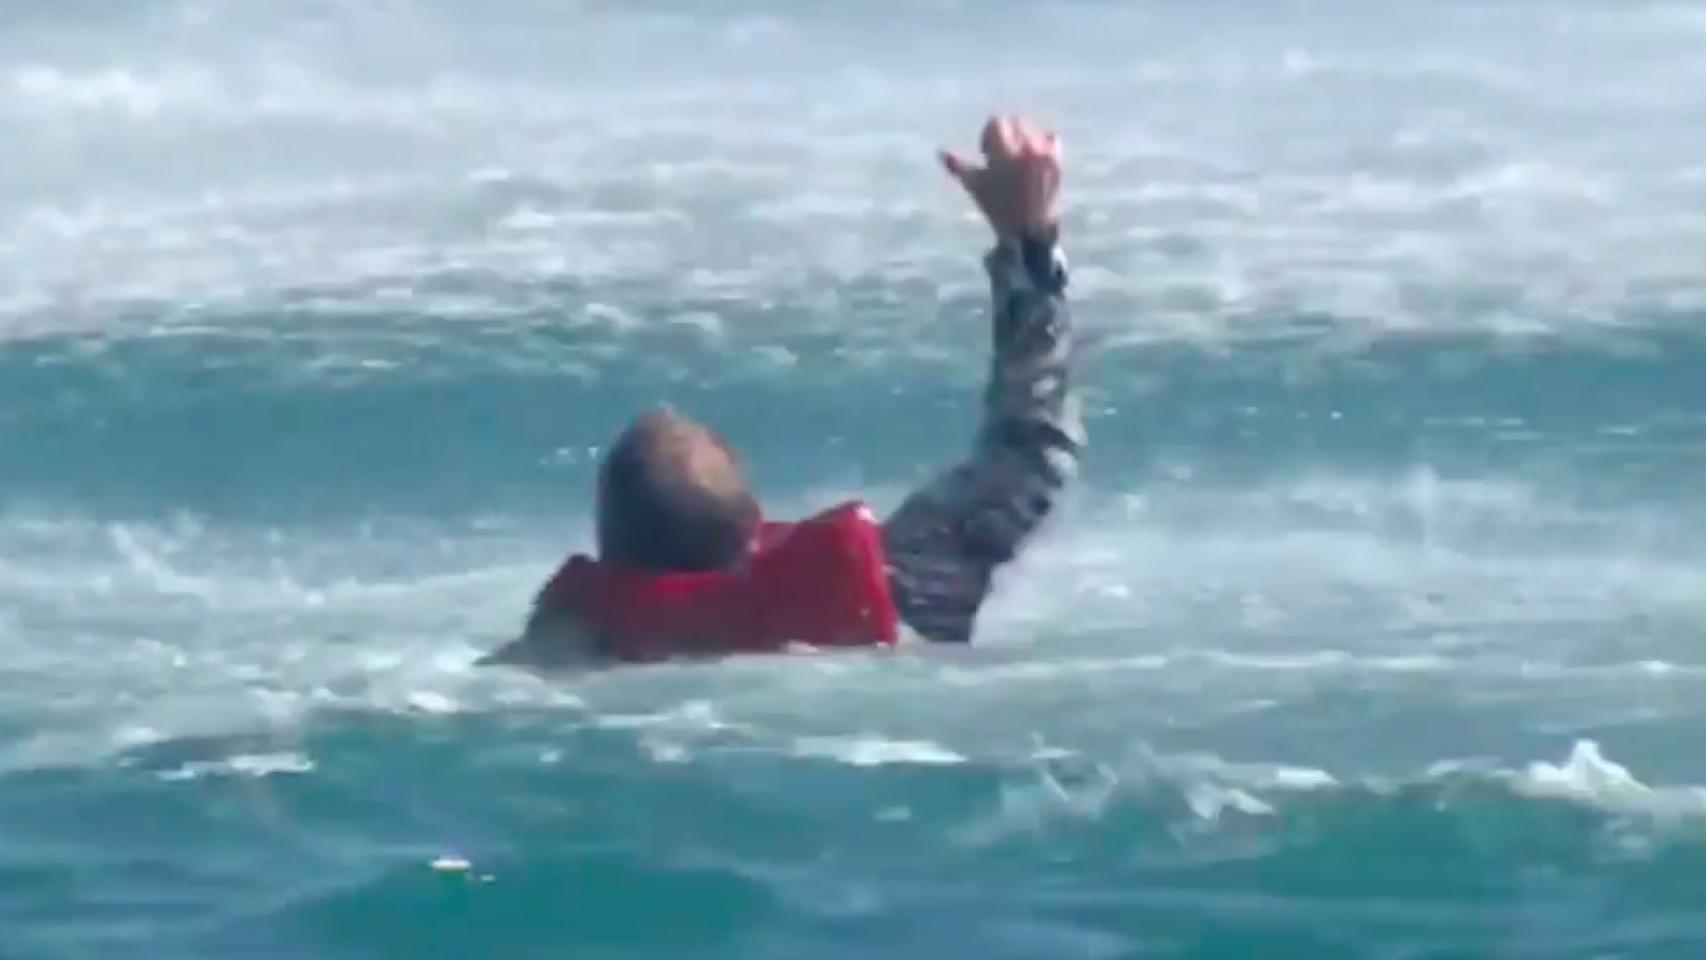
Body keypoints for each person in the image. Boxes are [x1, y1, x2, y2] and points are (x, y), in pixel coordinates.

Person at [482, 114, 1083, 667]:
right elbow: (1033, 446)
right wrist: (1028, 242)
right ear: (757, 529)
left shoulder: (573, 649)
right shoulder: (905, 586)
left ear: (614, 562)